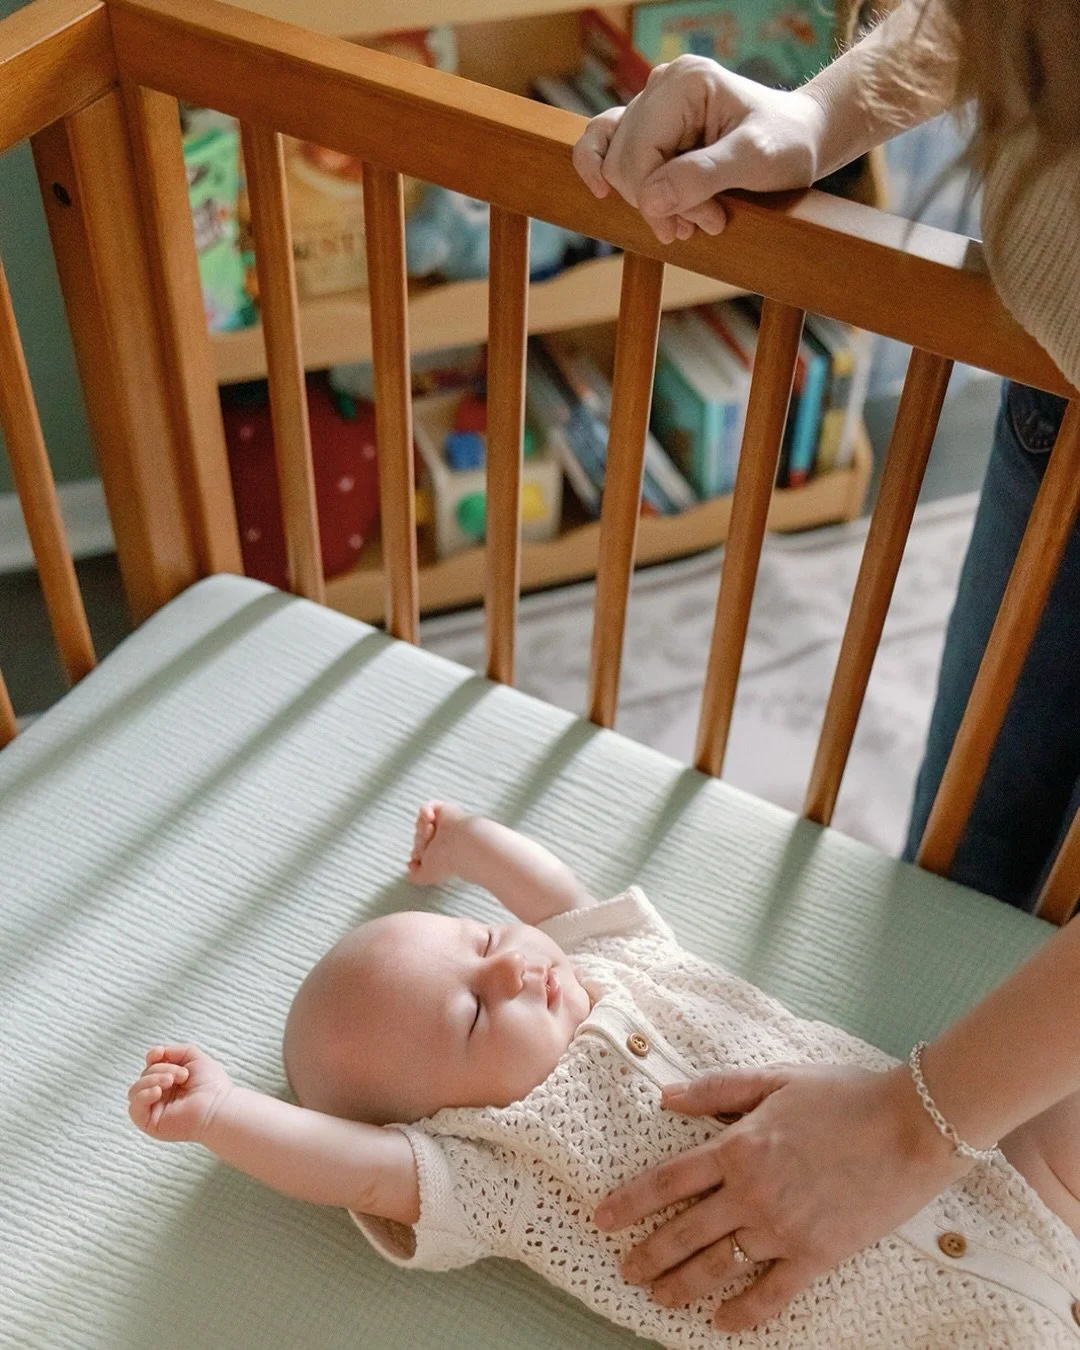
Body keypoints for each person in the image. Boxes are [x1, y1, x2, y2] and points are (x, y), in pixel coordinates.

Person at [571, 0, 1080, 1327]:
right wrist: (821, 113)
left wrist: (917, 1127)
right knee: (959, 872)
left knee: (1046, 1136)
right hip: (1058, 394)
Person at [129, 803, 1080, 1345]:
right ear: (433, 1117)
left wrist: (468, 843)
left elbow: (558, 898)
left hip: (1003, 1157)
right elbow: (357, 1166)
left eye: (484, 939)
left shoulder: (616, 965)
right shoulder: (492, 1166)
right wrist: (224, 1112)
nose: (511, 968)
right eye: (470, 1016)